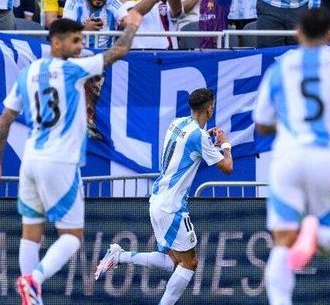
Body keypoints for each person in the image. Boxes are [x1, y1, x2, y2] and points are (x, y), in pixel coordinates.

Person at [0, 13, 143, 305]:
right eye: (75, 40)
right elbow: (119, 51)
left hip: (30, 161)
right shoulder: (73, 70)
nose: (81, 46)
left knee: (31, 232)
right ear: (56, 43)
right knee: (72, 236)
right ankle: (35, 279)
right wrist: (133, 23)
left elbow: (5, 119)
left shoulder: (28, 73)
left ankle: (30, 298)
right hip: (60, 161)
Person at [252, 8, 330, 305]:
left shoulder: (280, 69)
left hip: (289, 157)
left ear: (297, 33)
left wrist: (285, 121)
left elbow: (261, 123)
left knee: (281, 242)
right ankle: (315, 230)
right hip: (329, 158)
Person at [94, 88, 233, 303]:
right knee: (190, 263)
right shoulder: (199, 137)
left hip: (158, 200)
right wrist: (225, 144)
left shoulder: (177, 123)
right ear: (210, 108)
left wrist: (208, 144)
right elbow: (227, 167)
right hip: (172, 207)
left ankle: (118, 255)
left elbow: (188, 148)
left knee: (171, 261)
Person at [62, 0, 128, 48]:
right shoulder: (74, 1)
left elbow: (127, 20)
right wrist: (84, 29)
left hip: (106, 55)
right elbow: (65, 29)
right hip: (79, 53)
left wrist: (124, 23)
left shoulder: (112, 2)